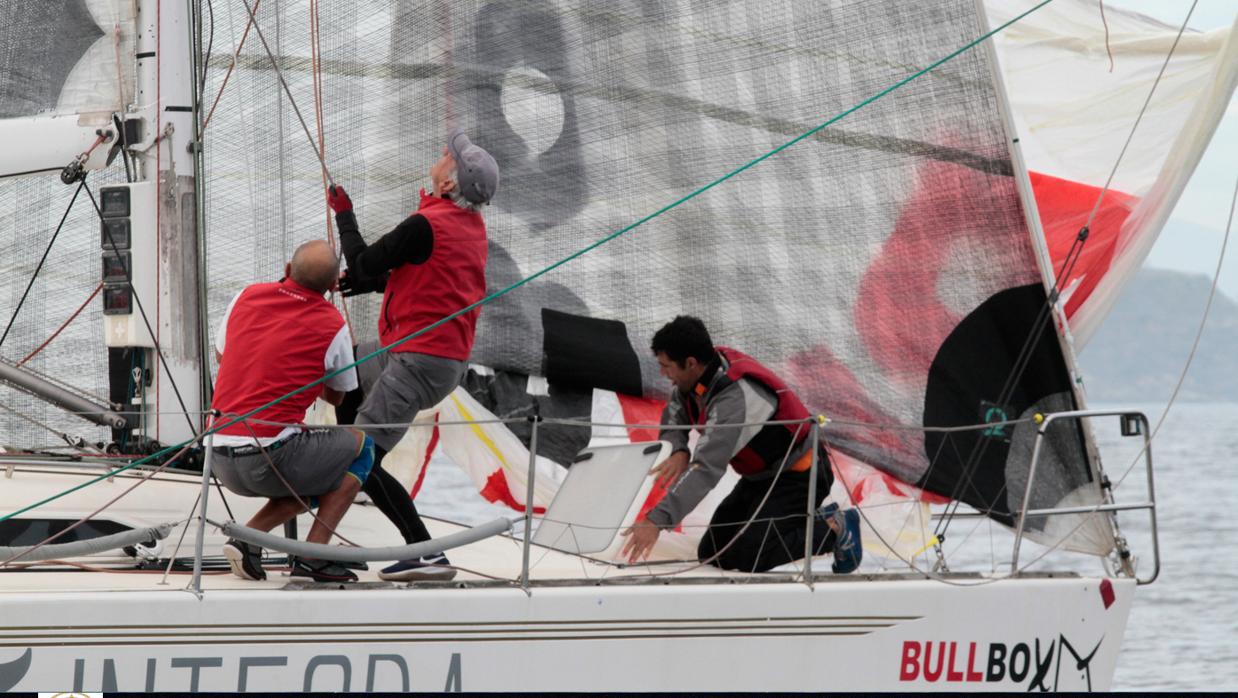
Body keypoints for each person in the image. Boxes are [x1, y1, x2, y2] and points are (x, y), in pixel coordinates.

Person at [326, 128, 498, 582]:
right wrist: (371, 283)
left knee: (360, 456)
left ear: (447, 185)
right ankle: (337, 469)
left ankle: (424, 552)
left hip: (418, 359)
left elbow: (363, 260)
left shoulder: (426, 225)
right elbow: (433, 283)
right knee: (344, 375)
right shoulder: (471, 227)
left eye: (449, 157)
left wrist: (344, 215)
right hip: (422, 354)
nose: (443, 154)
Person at [620, 315, 863, 574]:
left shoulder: (734, 398)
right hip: (759, 479)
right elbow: (674, 414)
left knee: (752, 555)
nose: (663, 373)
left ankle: (835, 528)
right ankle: (804, 521)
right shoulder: (697, 376)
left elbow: (705, 469)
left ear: (690, 363)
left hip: (799, 476)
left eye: (666, 366)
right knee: (714, 552)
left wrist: (656, 521)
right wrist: (679, 449)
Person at [211, 240, 376, 583]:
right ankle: (313, 554)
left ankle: (250, 538)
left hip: (217, 455)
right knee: (361, 449)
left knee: (321, 470)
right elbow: (339, 396)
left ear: (287, 270)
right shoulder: (332, 323)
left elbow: (222, 356)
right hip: (269, 458)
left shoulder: (246, 295)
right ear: (333, 287)